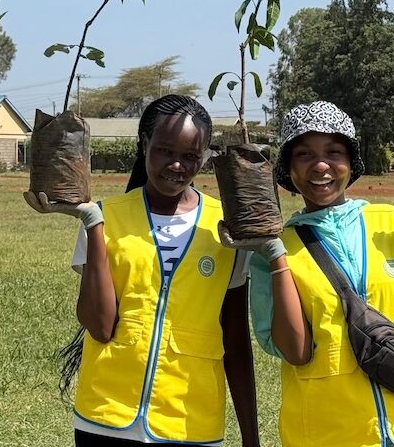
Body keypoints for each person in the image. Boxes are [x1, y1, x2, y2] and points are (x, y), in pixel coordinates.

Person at [25, 95, 259, 447]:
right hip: (104, 418)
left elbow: (237, 343)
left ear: (206, 158)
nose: (177, 165)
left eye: (191, 156)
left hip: (190, 423)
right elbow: (100, 326)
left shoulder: (225, 229)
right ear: (144, 144)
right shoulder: (105, 217)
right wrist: (92, 223)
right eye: (165, 151)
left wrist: (251, 439)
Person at [223, 101, 394, 447]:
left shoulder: (392, 226)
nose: (320, 165)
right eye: (304, 154)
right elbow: (296, 352)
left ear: (350, 162)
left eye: (334, 151)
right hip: (323, 434)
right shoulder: (274, 248)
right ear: (288, 167)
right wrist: (276, 259)